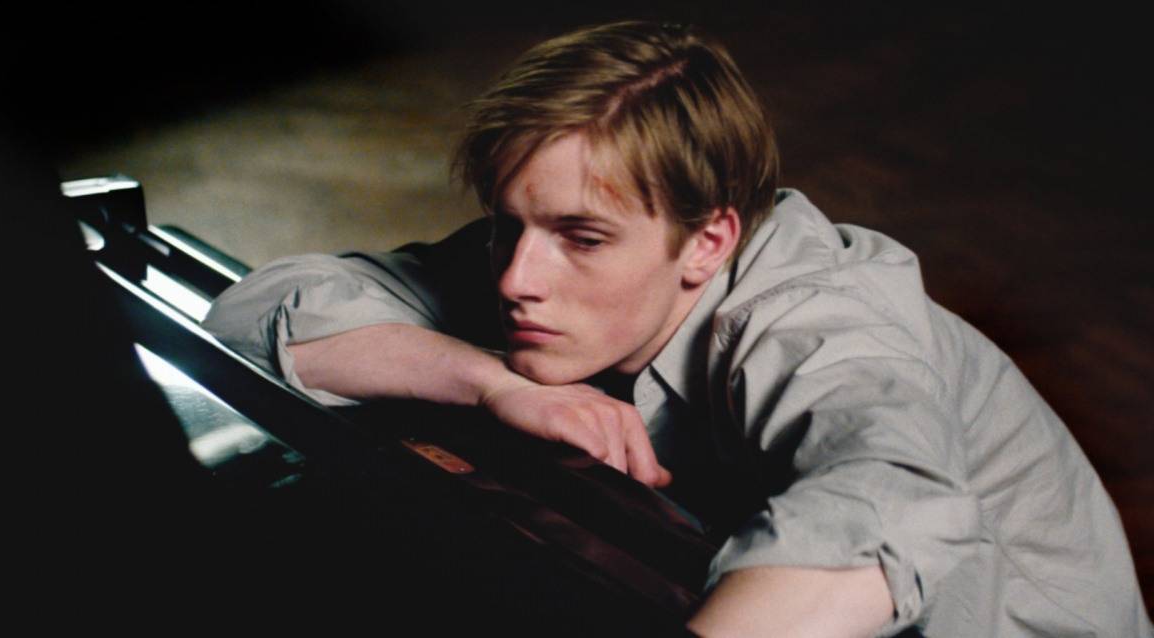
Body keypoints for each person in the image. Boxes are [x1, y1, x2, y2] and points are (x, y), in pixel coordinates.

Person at [202, 21, 1150, 637]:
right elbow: (259, 310)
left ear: (709, 242)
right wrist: (494, 382)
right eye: (507, 224)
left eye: (581, 238)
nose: (518, 279)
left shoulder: (817, 325)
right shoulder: (558, 261)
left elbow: (893, 514)